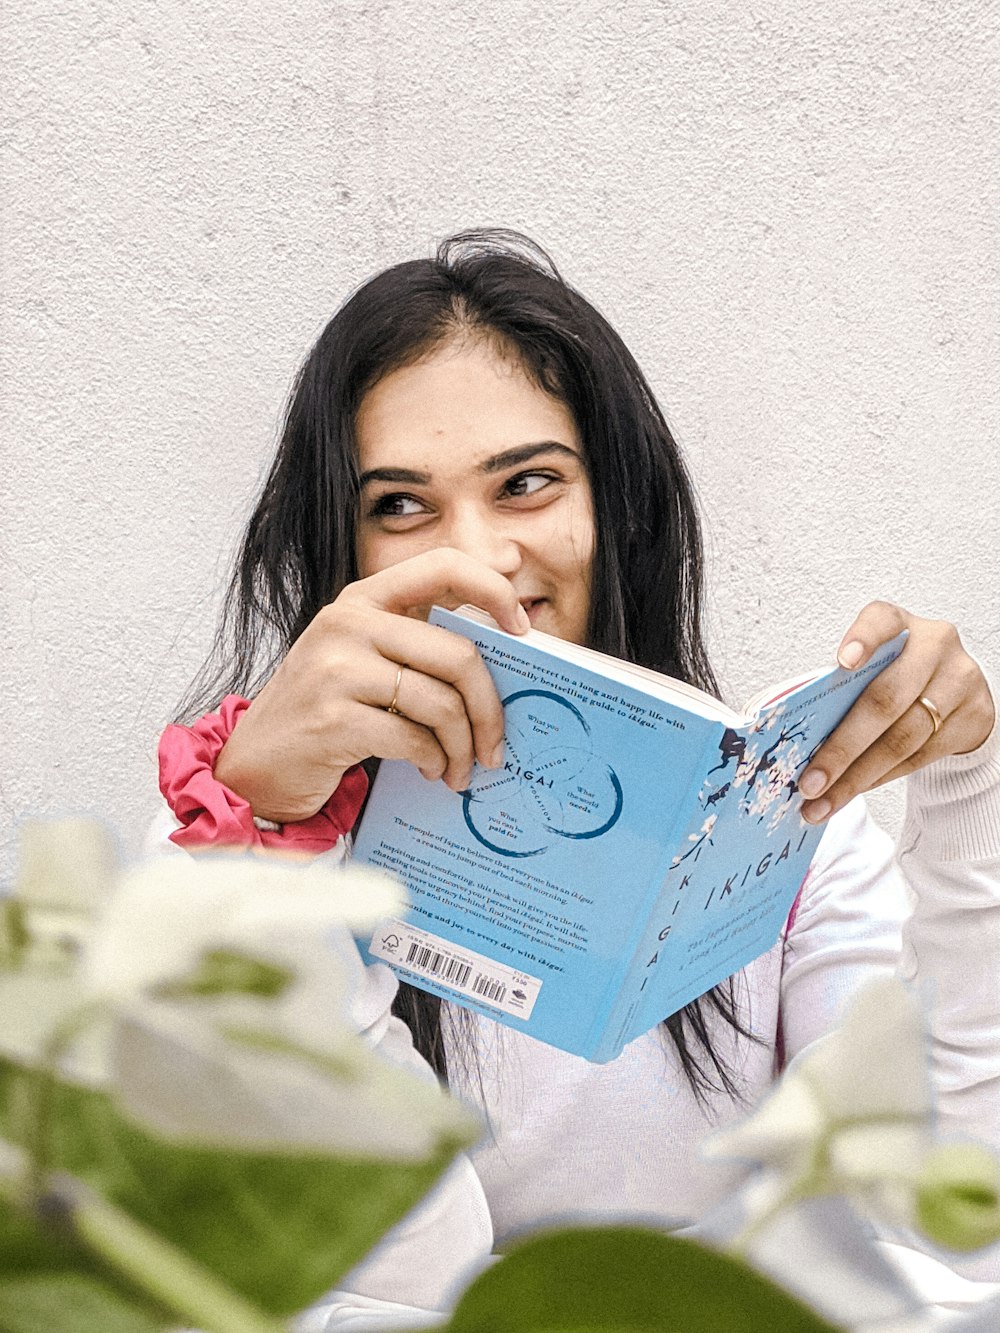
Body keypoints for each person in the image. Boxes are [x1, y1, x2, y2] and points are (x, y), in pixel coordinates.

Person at [155, 229, 999, 1319]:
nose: (479, 560)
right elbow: (388, 1273)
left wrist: (967, 784)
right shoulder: (227, 841)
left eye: (527, 484)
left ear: (616, 507)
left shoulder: (788, 829)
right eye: (400, 507)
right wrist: (264, 838)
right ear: (339, 546)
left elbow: (939, 1222)